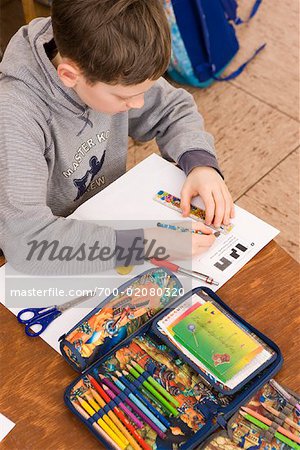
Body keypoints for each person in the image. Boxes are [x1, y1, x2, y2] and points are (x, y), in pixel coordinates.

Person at [0, 0, 234, 275]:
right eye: (126, 97)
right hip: (41, 252)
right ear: (69, 75)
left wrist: (200, 162)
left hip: (106, 219)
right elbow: (27, 242)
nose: (139, 103)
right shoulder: (14, 115)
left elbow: (173, 108)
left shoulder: (109, 58)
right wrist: (152, 244)